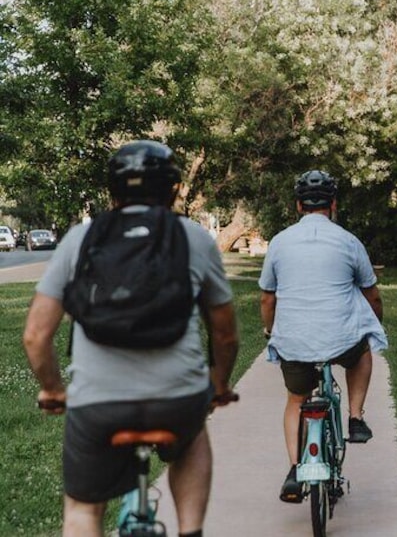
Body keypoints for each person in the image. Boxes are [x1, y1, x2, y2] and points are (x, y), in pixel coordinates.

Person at [22, 140, 239, 537]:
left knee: (83, 512)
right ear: (172, 188)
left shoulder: (78, 240)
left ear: (113, 189)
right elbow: (224, 333)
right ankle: (191, 530)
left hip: (98, 406)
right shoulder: (194, 238)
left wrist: (53, 390)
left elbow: (36, 335)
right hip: (177, 399)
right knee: (191, 442)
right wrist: (219, 384)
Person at [259, 169, 387, 504]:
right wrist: (376, 323)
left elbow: (267, 298)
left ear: (298, 206)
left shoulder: (279, 242)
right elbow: (371, 295)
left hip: (294, 341)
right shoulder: (348, 241)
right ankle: (356, 418)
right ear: (333, 204)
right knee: (362, 353)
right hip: (341, 338)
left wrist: (271, 330)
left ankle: (293, 469)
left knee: (296, 400)